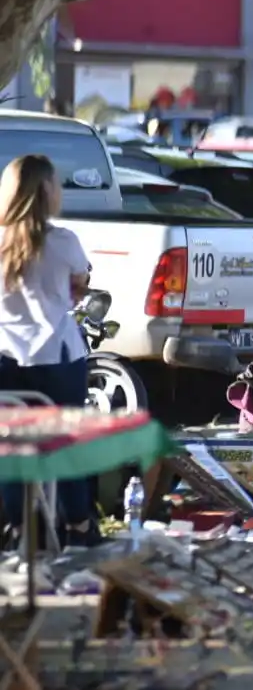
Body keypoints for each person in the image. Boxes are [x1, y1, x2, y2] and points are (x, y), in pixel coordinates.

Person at [0, 155, 98, 548]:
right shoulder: (64, 241)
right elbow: (80, 285)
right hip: (55, 359)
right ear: (46, 191)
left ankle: (18, 525)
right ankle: (77, 524)